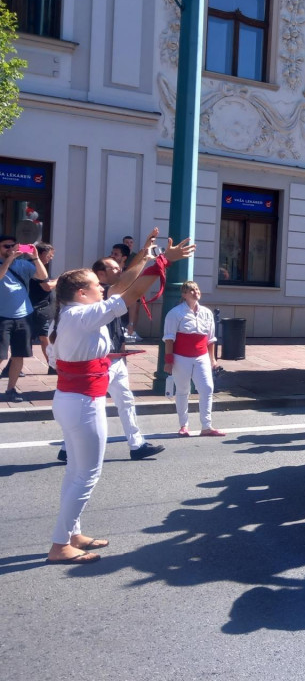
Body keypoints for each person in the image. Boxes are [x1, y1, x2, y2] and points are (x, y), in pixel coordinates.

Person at [47, 231, 193, 563]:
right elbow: (130, 294)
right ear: (82, 293)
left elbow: (121, 286)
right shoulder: (83, 316)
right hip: (83, 402)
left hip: (73, 399)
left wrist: (144, 257)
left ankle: (72, 533)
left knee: (75, 471)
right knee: (86, 474)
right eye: (96, 286)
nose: (103, 288)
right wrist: (162, 262)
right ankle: (60, 546)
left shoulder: (75, 311)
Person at [57, 256, 166, 462]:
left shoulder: (92, 300)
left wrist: (146, 256)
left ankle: (137, 444)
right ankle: (67, 447)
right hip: (98, 364)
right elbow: (130, 285)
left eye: (120, 267)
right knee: (90, 410)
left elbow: (129, 282)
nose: (119, 271)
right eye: (114, 268)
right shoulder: (99, 298)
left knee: (125, 401)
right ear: (100, 275)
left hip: (113, 360)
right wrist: (156, 260)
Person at [163, 281, 221, 437]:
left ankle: (207, 426)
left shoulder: (207, 313)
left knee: (207, 388)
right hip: (181, 357)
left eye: (197, 289)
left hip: (201, 356)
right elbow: (169, 338)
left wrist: (212, 359)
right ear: (184, 295)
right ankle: (184, 425)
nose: (195, 292)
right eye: (191, 290)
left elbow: (210, 339)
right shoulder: (175, 313)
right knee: (183, 390)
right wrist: (169, 361)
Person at [0, 236, 50, 401]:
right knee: (0, 355)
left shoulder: (23, 265)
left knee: (19, 355)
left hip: (23, 315)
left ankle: (11, 390)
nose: (10, 249)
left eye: (13, 246)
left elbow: (43, 277)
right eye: (6, 246)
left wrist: (35, 257)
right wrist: (9, 260)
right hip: (2, 316)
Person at [28, 242, 57, 372]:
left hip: (39, 307)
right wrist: (59, 280)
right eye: (49, 255)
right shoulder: (35, 267)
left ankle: (51, 365)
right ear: (42, 254)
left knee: (33, 336)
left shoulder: (38, 268)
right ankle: (51, 365)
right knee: (44, 336)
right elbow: (46, 286)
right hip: (38, 308)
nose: (51, 258)